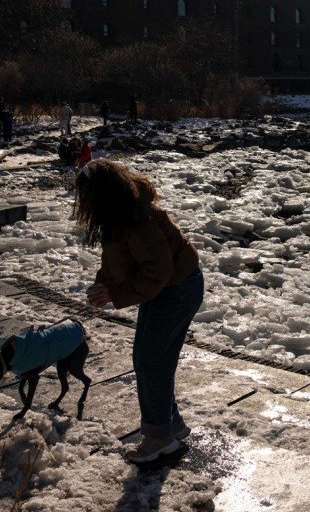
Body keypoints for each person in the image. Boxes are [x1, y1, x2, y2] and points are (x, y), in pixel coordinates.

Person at [75, 159, 203, 464]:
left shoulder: (138, 218)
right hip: (169, 289)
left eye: (86, 196)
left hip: (176, 290)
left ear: (102, 194)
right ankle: (170, 424)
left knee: (150, 360)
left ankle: (159, 439)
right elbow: (116, 259)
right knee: (152, 359)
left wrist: (117, 293)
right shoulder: (118, 215)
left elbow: (159, 271)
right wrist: (103, 285)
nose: (82, 203)